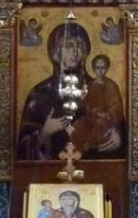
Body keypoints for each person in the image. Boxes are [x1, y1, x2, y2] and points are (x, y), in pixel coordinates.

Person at [18, 22, 119, 160]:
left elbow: (117, 120)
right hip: (50, 169)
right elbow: (20, 149)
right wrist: (44, 133)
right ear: (56, 52)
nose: (75, 52)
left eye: (80, 46)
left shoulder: (100, 88)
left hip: (94, 166)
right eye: (68, 46)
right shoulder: (40, 94)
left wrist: (116, 134)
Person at [71, 54, 125, 157]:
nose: (100, 71)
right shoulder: (90, 85)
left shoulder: (111, 86)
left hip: (105, 119)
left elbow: (116, 106)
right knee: (77, 126)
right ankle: (77, 152)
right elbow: (83, 104)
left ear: (107, 68)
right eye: (97, 68)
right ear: (94, 69)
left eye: (103, 68)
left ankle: (88, 149)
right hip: (91, 117)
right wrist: (81, 98)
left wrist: (107, 114)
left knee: (98, 126)